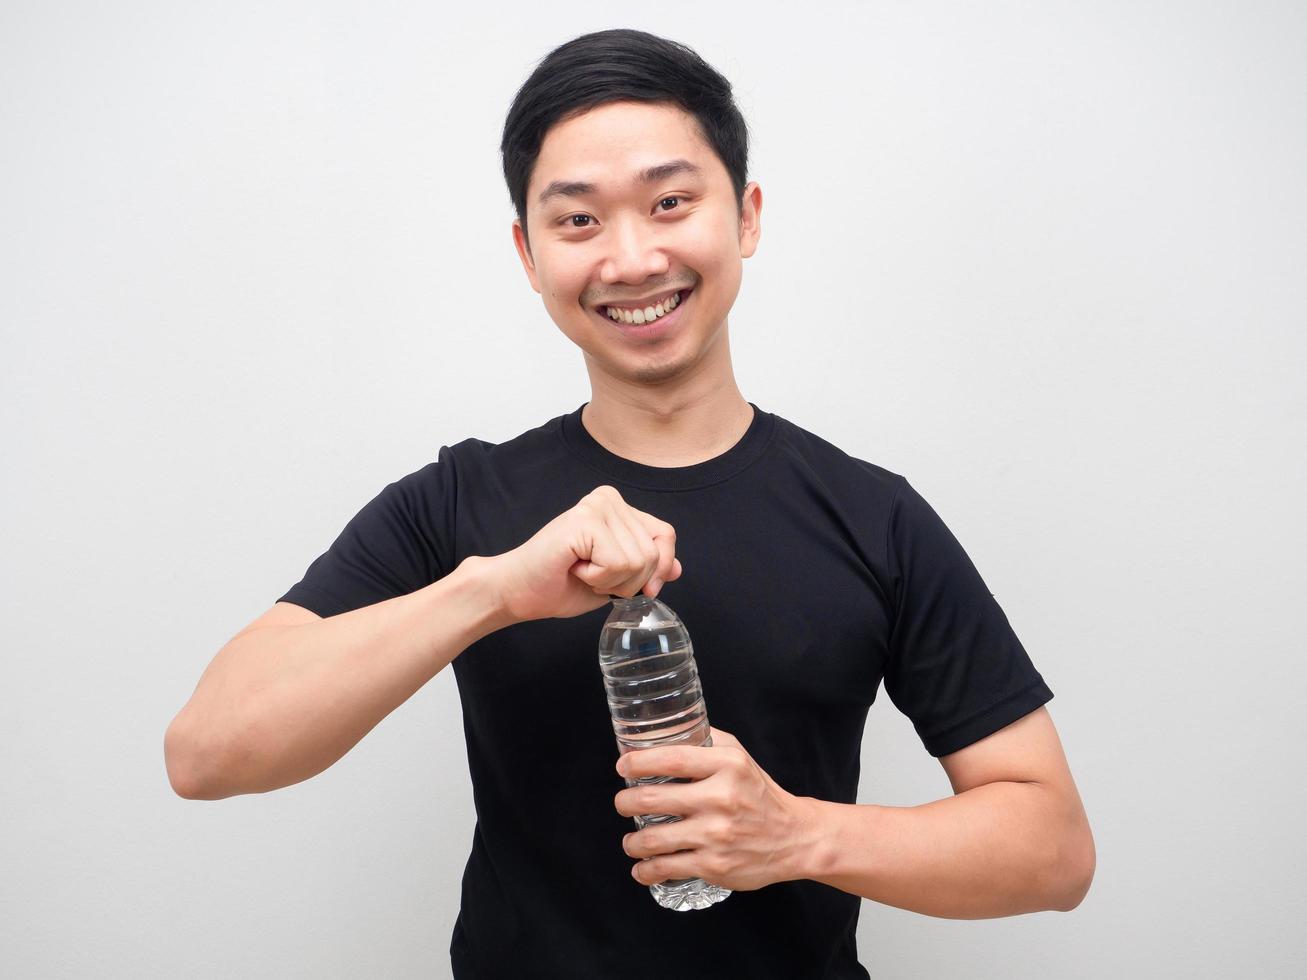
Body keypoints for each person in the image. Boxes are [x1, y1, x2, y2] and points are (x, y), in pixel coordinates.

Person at [165, 28, 1095, 979]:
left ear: (746, 217)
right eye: (578, 221)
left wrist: (794, 837)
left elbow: (1051, 850)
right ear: (528, 255)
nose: (632, 258)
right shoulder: (456, 503)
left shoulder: (872, 517)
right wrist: (490, 593)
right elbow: (209, 755)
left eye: (670, 202)